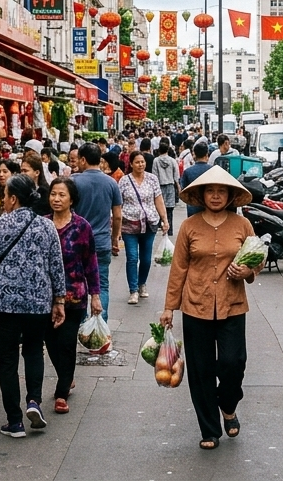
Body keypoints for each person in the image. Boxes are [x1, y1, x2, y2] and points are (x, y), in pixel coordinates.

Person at [159, 167, 260, 450]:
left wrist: (248, 271)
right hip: (195, 305)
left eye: (221, 191)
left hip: (233, 305)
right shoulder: (189, 227)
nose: (216, 196)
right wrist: (169, 308)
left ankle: (228, 405)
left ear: (230, 196)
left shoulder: (242, 225)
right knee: (200, 369)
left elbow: (257, 257)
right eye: (211, 191)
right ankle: (209, 429)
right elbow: (179, 268)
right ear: (202, 195)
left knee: (233, 363)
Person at [0, 175, 67, 438]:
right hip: (38, 303)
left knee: (7, 360)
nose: (3, 200)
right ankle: (34, 401)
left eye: (5, 195)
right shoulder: (46, 226)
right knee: (34, 351)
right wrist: (59, 301)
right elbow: (56, 266)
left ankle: (15, 421)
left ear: (13, 198)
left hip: (4, 304)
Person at [44, 178, 102, 413]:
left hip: (74, 296)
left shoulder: (82, 227)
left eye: (62, 195)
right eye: (53, 194)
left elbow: (91, 263)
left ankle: (61, 393)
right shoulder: (42, 224)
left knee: (67, 344)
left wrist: (95, 295)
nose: (56, 199)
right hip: (45, 297)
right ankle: (66, 376)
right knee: (51, 343)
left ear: (72, 199)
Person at [72, 143, 122, 321]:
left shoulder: (74, 182)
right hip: (101, 242)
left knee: (79, 284)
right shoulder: (111, 183)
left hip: (77, 242)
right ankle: (101, 324)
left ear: (83, 160)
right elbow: (117, 216)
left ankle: (81, 324)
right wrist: (114, 238)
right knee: (102, 286)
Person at [120, 150, 168, 304]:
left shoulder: (152, 179)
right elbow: (118, 203)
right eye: (137, 162)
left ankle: (142, 284)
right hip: (129, 224)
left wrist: (165, 219)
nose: (140, 165)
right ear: (131, 164)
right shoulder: (124, 181)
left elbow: (158, 200)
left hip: (149, 224)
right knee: (132, 257)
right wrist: (116, 225)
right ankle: (133, 290)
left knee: (146, 259)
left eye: (142, 162)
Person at [179, 142, 216, 217]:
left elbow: (183, 190)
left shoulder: (187, 172)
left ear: (194, 154)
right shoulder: (213, 170)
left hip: (192, 209)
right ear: (207, 154)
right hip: (210, 207)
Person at [152, 142, 181, 235]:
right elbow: (176, 175)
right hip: (170, 186)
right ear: (167, 150)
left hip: (160, 186)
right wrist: (178, 186)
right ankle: (170, 229)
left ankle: (160, 226)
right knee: (170, 209)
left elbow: (154, 174)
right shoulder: (172, 161)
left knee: (159, 207)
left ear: (159, 150)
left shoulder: (156, 161)